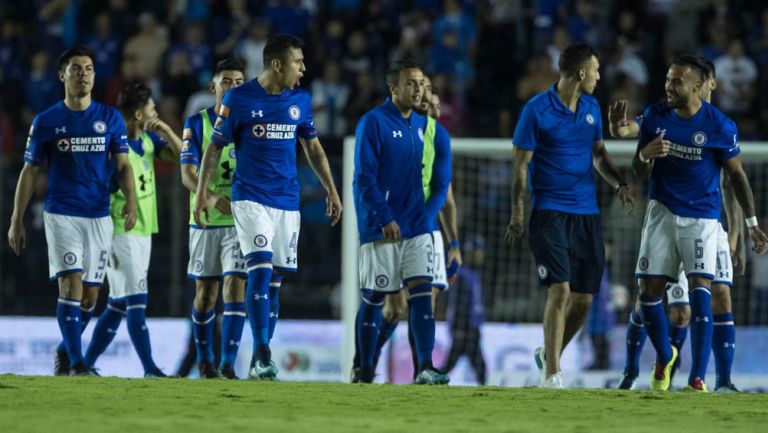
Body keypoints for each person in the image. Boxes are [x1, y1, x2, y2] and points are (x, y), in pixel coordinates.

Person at [194, 35, 342, 381]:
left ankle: (261, 357)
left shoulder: (300, 101)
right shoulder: (239, 98)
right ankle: (262, 353)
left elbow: (315, 149)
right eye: (298, 62)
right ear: (277, 65)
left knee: (274, 283)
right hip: (249, 198)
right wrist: (202, 192)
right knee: (258, 272)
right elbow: (214, 149)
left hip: (287, 203)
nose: (303, 69)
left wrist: (332, 191)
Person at [631, 54, 767, 392]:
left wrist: (748, 225)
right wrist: (645, 154)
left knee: (705, 293)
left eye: (676, 81)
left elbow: (736, 179)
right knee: (646, 293)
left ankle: (699, 379)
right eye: (667, 80)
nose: (668, 87)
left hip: (702, 219)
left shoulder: (720, 126)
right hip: (661, 212)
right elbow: (637, 168)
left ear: (698, 86)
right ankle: (664, 356)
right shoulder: (656, 115)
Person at [505, 44, 633, 388]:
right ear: (580, 73)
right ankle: (552, 374)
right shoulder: (536, 110)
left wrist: (619, 182)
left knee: (585, 299)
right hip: (549, 213)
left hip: (587, 215)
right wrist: (518, 211)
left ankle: (550, 353)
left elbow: (598, 155)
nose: (598, 76)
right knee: (559, 290)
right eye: (595, 70)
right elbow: (520, 166)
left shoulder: (591, 107)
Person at [7, 46, 137, 376]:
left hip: (99, 215)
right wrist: (16, 219)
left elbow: (123, 167)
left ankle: (66, 350)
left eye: (89, 69)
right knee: (71, 285)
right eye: (76, 69)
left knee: (90, 298)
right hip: (62, 213)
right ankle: (79, 364)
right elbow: (30, 171)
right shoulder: (47, 121)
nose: (83, 74)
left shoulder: (109, 118)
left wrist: (132, 203)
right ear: (62, 75)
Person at [350, 75, 459, 381]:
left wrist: (452, 241)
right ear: (395, 88)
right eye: (412, 85)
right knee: (383, 301)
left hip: (423, 227)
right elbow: (364, 178)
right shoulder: (376, 123)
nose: (420, 93)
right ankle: (365, 365)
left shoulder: (436, 134)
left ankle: (423, 367)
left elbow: (444, 191)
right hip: (384, 226)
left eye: (423, 87)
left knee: (422, 295)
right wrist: (384, 216)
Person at [83, 83, 181, 377]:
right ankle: (150, 368)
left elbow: (182, 156)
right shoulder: (113, 145)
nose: (155, 112)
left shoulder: (150, 142)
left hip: (143, 229)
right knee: (137, 298)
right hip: (119, 229)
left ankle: (82, 363)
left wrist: (165, 128)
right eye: (152, 109)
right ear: (139, 113)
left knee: (118, 303)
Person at [181, 58, 247, 379]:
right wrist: (209, 196)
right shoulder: (196, 123)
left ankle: (228, 363)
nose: (232, 87)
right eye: (227, 81)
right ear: (213, 87)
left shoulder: (252, 127)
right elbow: (186, 174)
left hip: (240, 221)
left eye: (238, 82)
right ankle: (205, 358)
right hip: (206, 219)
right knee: (205, 296)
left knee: (235, 286)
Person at [441, 234, 487, 385]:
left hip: (471, 328)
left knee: (454, 364)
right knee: (478, 366)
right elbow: (459, 304)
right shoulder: (463, 275)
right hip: (465, 329)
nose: (481, 254)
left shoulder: (473, 274)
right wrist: (459, 329)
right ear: (471, 252)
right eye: (479, 250)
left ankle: (430, 381)